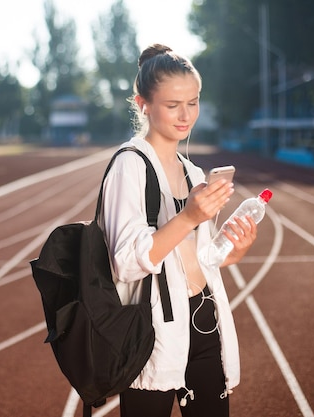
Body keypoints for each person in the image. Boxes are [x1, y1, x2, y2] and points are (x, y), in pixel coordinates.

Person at [99, 44, 258, 417]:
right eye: (173, 105)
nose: (186, 115)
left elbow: (200, 259)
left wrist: (234, 249)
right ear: (144, 104)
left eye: (194, 102)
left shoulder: (193, 172)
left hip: (205, 321)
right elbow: (125, 261)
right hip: (153, 332)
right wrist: (188, 217)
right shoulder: (130, 165)